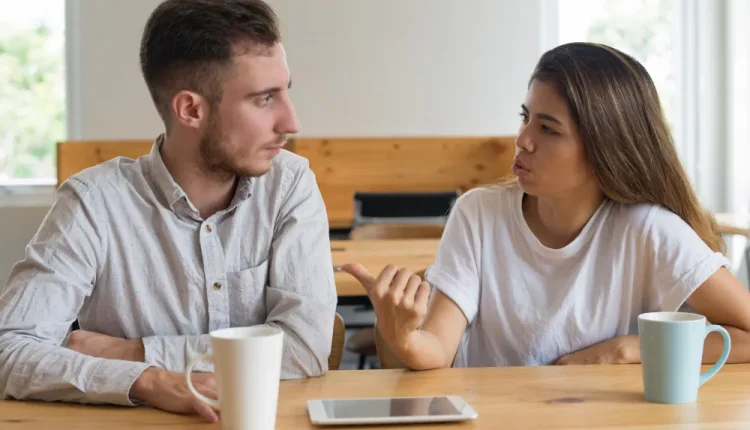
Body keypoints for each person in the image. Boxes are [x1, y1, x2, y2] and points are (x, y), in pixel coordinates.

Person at [0, 0, 337, 422]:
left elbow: (305, 348)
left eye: (286, 90)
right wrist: (149, 381)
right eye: (265, 99)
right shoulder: (93, 202)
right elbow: (9, 350)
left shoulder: (289, 185)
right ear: (191, 109)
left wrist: (135, 353)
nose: (291, 121)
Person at [343, 42, 750, 371]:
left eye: (548, 128)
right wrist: (405, 335)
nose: (523, 140)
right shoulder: (478, 214)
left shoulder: (650, 231)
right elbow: (436, 349)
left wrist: (632, 348)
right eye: (525, 118)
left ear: (604, 149)